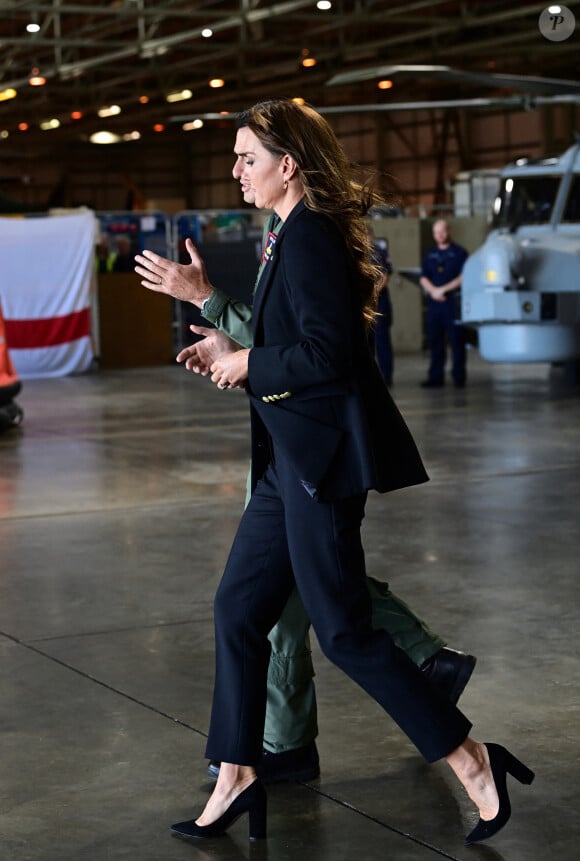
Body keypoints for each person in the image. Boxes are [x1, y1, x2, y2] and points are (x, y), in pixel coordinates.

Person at [135, 99, 533, 845]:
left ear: (288, 165)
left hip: (319, 463)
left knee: (345, 631)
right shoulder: (286, 235)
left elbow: (329, 355)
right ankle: (238, 769)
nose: (235, 170)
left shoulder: (310, 235)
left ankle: (473, 758)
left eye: (248, 157)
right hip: (287, 462)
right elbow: (294, 342)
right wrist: (228, 351)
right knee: (237, 611)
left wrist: (246, 361)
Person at [419, 219, 468, 388]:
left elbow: (463, 277)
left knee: (456, 340)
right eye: (436, 232)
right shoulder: (430, 255)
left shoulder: (460, 253)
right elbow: (424, 277)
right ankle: (435, 377)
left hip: (452, 302)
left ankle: (459, 376)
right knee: (435, 341)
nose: (439, 235)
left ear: (450, 231)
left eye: (442, 231)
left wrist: (443, 290)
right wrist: (433, 291)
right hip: (435, 304)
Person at [368, 226, 394, 386]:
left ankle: (386, 376)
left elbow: (385, 276)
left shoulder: (379, 253)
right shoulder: (356, 252)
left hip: (379, 302)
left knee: (382, 341)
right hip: (364, 304)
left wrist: (371, 294)